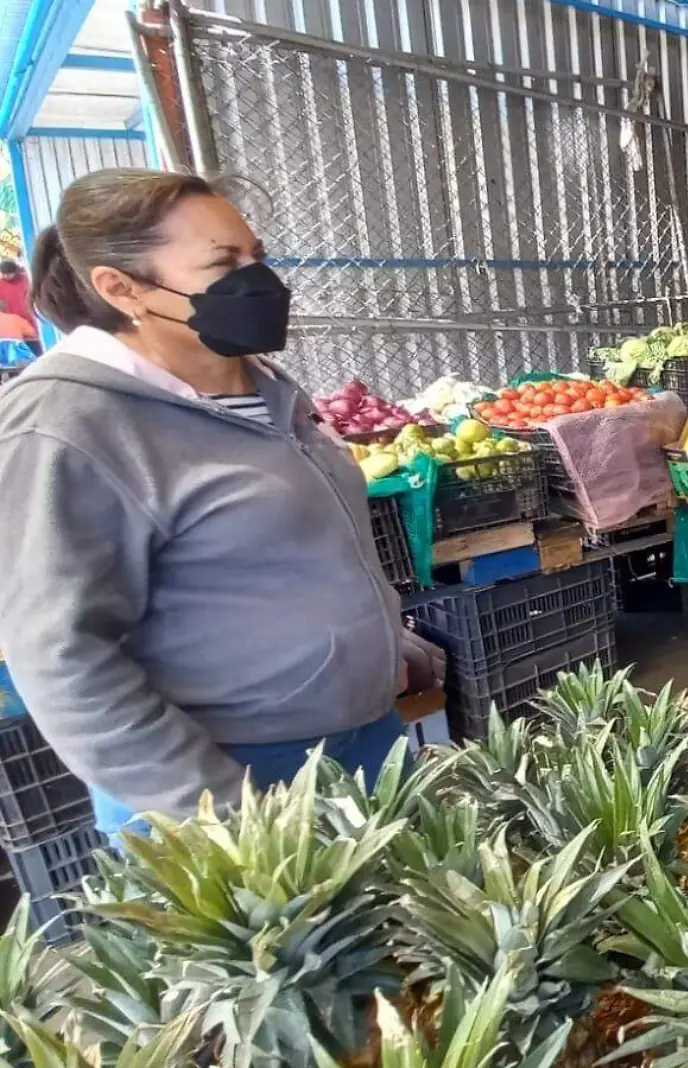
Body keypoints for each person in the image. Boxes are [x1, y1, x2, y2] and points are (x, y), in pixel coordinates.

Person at [0, 168, 442, 837]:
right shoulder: (68, 426)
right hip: (225, 786)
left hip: (360, 742)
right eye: (223, 263)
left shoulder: (262, 385)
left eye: (256, 256)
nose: (259, 280)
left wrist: (378, 640)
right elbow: (62, 656)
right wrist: (223, 816)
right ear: (121, 289)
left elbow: (277, 552)